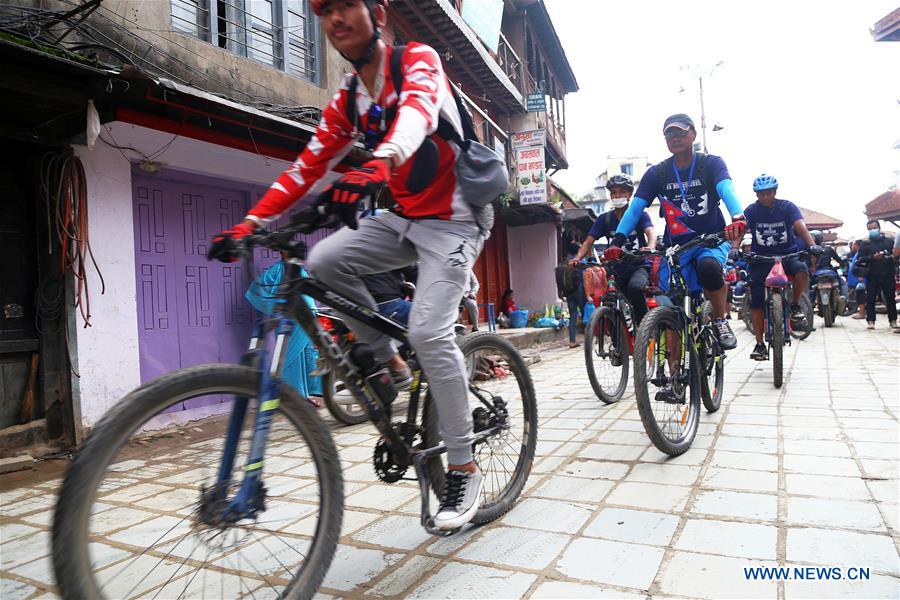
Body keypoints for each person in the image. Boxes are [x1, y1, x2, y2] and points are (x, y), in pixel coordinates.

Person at [208, 0, 486, 530]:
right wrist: (250, 222)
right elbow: (307, 165)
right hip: (404, 218)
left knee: (429, 332)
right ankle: (388, 363)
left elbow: (417, 114)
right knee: (324, 259)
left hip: (457, 218)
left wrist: (378, 163)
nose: (335, 18)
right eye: (324, 10)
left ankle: (463, 466)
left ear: (377, 14)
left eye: (345, 5)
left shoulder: (418, 60)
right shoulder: (349, 99)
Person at [604, 113, 746, 349]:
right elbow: (635, 208)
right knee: (672, 308)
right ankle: (674, 370)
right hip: (676, 247)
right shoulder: (657, 173)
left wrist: (737, 217)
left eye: (680, 132)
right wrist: (616, 242)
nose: (675, 137)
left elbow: (726, 189)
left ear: (693, 134)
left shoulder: (711, 164)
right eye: (669, 134)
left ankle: (720, 320)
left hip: (711, 240)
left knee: (709, 268)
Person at [737, 174, 821, 360]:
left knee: (801, 270)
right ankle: (759, 344)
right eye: (761, 194)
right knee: (756, 300)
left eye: (768, 193)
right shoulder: (751, 211)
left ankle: (795, 304)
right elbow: (741, 229)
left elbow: (800, 226)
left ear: (775, 192)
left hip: (787, 255)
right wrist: (735, 247)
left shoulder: (787, 207)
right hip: (761, 259)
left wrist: (811, 244)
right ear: (756, 194)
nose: (765, 196)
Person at [569, 173, 656, 327]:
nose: (617, 195)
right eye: (614, 192)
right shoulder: (605, 219)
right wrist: (577, 258)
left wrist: (651, 247)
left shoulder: (640, 215)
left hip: (638, 266)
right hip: (615, 269)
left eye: (622, 192)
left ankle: (644, 329)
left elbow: (651, 232)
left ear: (629, 195)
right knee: (609, 299)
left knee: (635, 288)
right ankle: (617, 337)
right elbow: (588, 241)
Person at [858, 219, 898, 329]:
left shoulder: (889, 241)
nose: (872, 230)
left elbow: (896, 255)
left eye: (874, 228)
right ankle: (871, 321)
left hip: (888, 274)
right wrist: (872, 257)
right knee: (870, 299)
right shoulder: (865, 243)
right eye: (870, 229)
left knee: (890, 298)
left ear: (879, 228)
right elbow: (860, 259)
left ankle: (893, 320)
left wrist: (890, 258)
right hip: (872, 275)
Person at [809, 230, 848, 301]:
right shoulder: (828, 248)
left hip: (816, 274)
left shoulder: (809, 250)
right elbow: (839, 260)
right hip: (829, 272)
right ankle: (845, 300)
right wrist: (842, 264)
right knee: (842, 283)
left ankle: (810, 302)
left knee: (809, 287)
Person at [845, 239, 867, 320]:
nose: (852, 246)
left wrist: (861, 277)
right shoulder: (857, 253)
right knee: (856, 296)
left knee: (861, 296)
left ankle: (862, 312)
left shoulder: (861, 254)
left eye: (853, 244)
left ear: (857, 245)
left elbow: (862, 266)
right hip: (854, 280)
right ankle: (860, 311)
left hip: (858, 280)